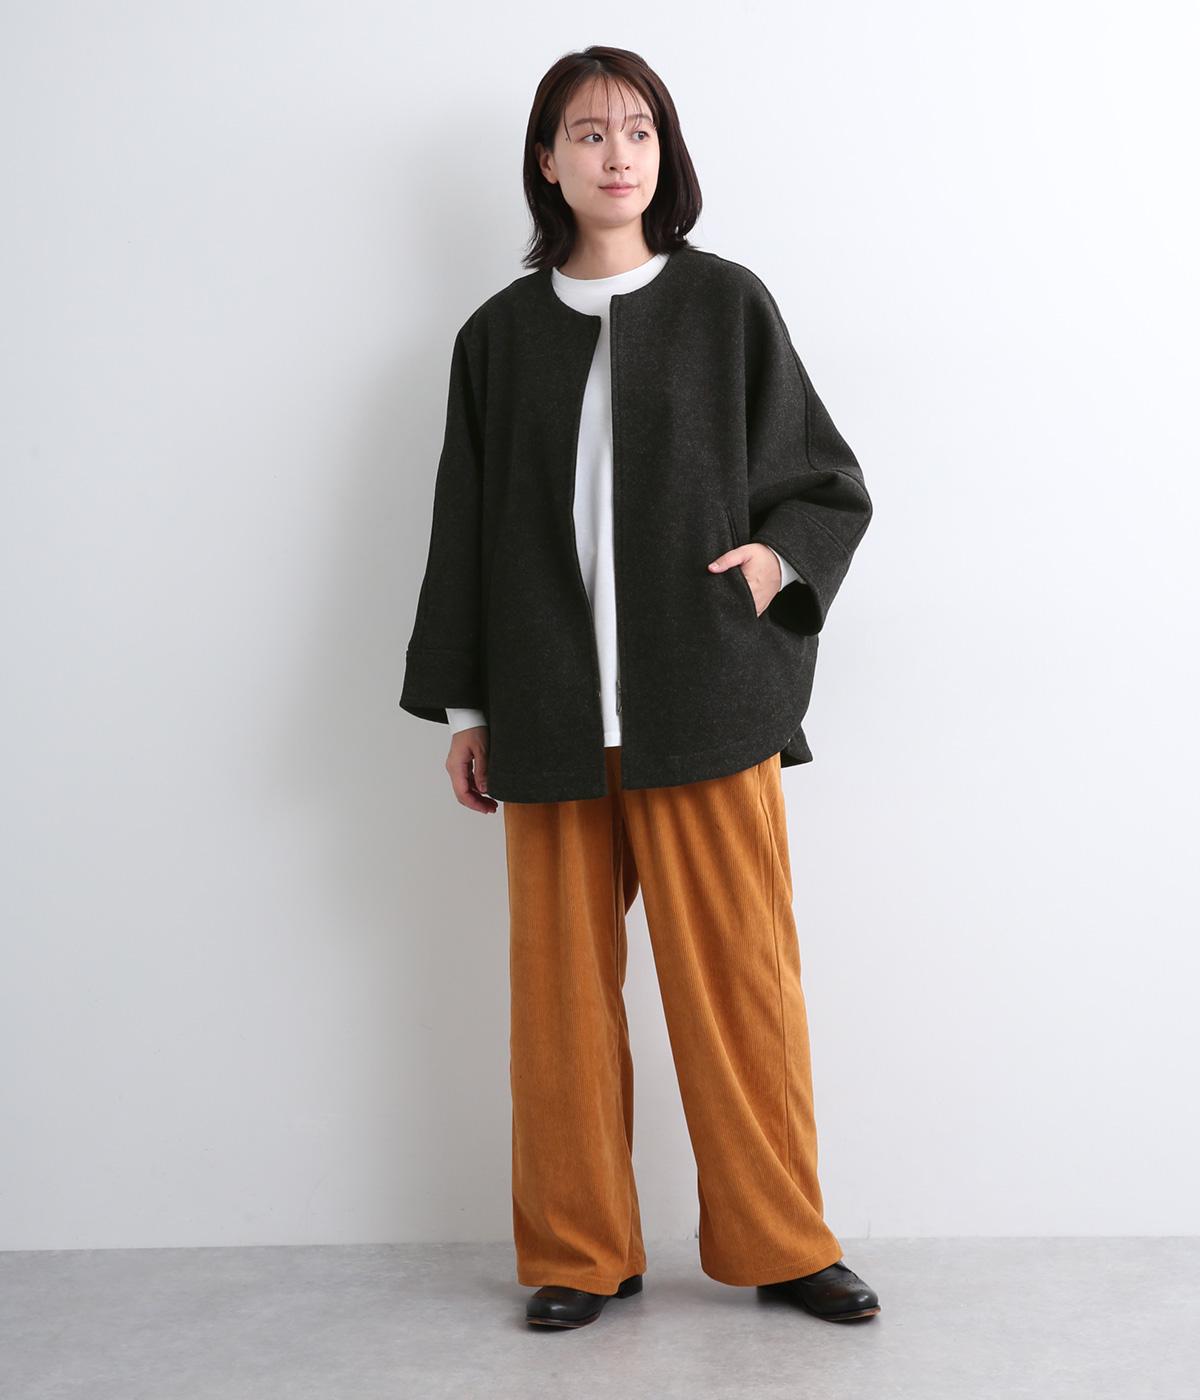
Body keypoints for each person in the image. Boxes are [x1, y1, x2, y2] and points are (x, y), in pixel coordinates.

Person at [399, 45, 878, 1330]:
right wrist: (467, 710)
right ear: (546, 160)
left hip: (708, 699)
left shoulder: (727, 304)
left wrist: (773, 562)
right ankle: (579, 1249)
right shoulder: (497, 338)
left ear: (665, 154)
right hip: (549, 711)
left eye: (639, 130)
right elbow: (464, 530)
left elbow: (825, 480)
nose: (617, 153)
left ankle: (783, 1239)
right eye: (588, 131)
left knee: (741, 987)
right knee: (558, 1000)